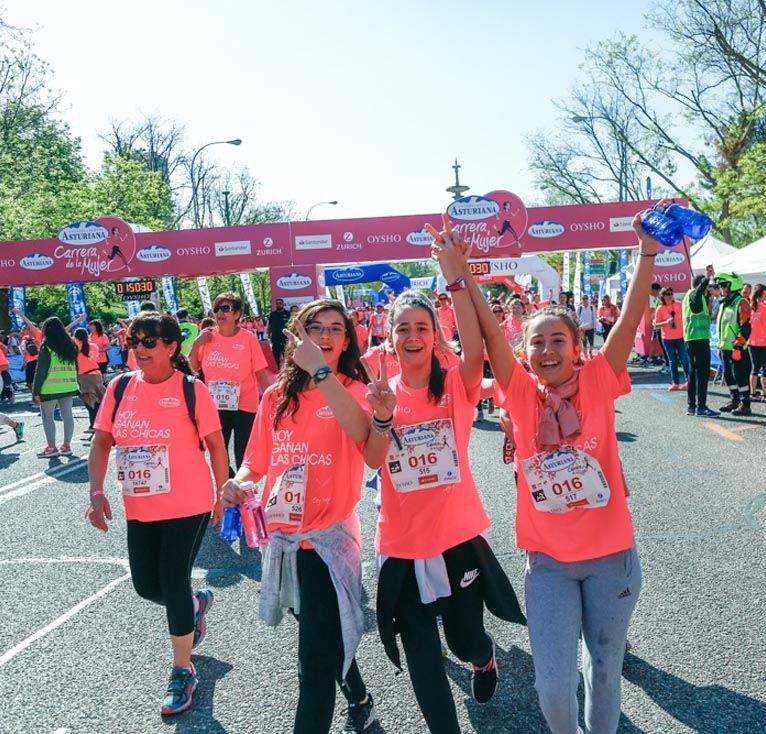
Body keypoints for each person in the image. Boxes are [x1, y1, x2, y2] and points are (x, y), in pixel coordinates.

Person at [464, 211, 657, 734]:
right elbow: (487, 333)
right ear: (525, 353)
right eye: (537, 343)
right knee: (553, 686)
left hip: (612, 559)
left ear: (576, 346)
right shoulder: (520, 392)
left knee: (604, 671)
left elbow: (631, 318)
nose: (547, 350)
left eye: (558, 341)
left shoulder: (600, 379)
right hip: (547, 564)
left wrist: (647, 253)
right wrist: (462, 271)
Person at [371, 224, 525, 733]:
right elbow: (369, 456)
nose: (413, 337)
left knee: (464, 640)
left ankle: (484, 660)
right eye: (403, 330)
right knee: (422, 661)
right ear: (391, 339)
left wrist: (454, 274)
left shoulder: (454, 385)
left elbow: (477, 346)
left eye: (422, 328)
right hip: (402, 545)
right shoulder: (379, 395)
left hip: (457, 538)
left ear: (434, 336)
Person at [220, 299, 395, 734]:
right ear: (298, 335)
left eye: (337, 329)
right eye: (316, 327)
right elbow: (256, 461)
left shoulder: (353, 391)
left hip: (329, 544)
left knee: (313, 664)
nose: (326, 336)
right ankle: (358, 694)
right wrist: (238, 481)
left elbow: (370, 449)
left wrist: (323, 373)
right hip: (284, 543)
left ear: (347, 340)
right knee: (323, 636)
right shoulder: (275, 396)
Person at [87, 312, 230, 716]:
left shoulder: (191, 389)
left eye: (151, 342)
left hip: (190, 504)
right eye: (135, 341)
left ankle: (182, 669)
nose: (141, 349)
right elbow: (101, 444)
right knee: (147, 587)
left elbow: (217, 446)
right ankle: (194, 605)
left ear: (171, 347)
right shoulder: (118, 388)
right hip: (141, 508)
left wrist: (222, 493)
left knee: (172, 576)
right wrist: (96, 491)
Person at [188, 292, 272, 472]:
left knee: (244, 453)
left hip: (244, 405)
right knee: (218, 451)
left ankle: (244, 491)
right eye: (217, 308)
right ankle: (230, 486)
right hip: (215, 406)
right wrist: (196, 344)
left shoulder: (248, 338)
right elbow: (193, 368)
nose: (220, 313)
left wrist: (270, 399)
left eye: (226, 308)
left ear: (237, 314)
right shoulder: (207, 337)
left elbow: (260, 372)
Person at [32, 317, 80, 458]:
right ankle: (66, 445)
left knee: (48, 417)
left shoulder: (46, 346)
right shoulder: (71, 344)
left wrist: (36, 390)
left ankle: (52, 447)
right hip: (68, 385)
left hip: (49, 387)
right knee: (68, 415)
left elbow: (41, 370)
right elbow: (76, 366)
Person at [713, 272, 753, 416]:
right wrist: (720, 345)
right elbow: (723, 327)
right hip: (725, 348)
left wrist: (737, 347)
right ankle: (734, 400)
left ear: (732, 285)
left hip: (737, 349)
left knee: (740, 376)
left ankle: (745, 404)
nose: (721, 288)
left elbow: (746, 328)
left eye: (724, 285)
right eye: (720, 285)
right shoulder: (725, 303)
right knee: (729, 376)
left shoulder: (741, 302)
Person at [682, 275, 719, 417]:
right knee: (702, 374)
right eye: (707, 287)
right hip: (698, 339)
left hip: (691, 339)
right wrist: (706, 279)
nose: (708, 290)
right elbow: (698, 303)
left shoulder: (689, 296)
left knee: (692, 373)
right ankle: (701, 407)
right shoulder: (694, 295)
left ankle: (691, 406)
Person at [653, 288, 688, 390]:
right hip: (667, 339)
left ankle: (688, 381)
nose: (670, 296)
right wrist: (666, 322)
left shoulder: (679, 304)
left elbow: (686, 317)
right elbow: (656, 324)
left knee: (684, 359)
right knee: (673, 361)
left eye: (671, 294)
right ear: (663, 296)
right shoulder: (660, 308)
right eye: (667, 294)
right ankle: (675, 383)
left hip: (681, 337)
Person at [73, 328, 105, 432]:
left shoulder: (76, 347)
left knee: (89, 402)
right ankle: (101, 423)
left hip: (84, 376)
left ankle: (93, 425)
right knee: (100, 400)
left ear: (76, 337)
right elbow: (96, 359)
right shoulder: (94, 346)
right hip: (96, 374)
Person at [267, 297, 291, 368]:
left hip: (285, 338)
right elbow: (270, 325)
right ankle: (277, 370)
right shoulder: (272, 314)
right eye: (277, 304)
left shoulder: (288, 314)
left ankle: (287, 370)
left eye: (280, 303)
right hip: (275, 339)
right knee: (275, 356)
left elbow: (291, 325)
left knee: (287, 356)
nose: (278, 305)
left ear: (283, 304)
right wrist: (268, 334)